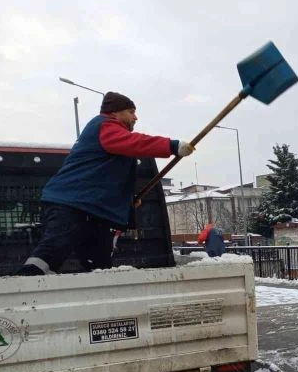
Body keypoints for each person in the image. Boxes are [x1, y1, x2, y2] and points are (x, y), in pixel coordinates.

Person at [17, 91, 194, 275]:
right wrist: (171, 146)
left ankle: (97, 285)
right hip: (71, 204)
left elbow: (106, 179)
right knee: (55, 248)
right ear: (115, 112)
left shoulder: (108, 134)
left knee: (99, 262)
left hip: (90, 209)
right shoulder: (105, 125)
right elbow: (135, 143)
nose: (135, 117)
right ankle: (26, 282)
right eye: (131, 112)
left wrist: (127, 200)